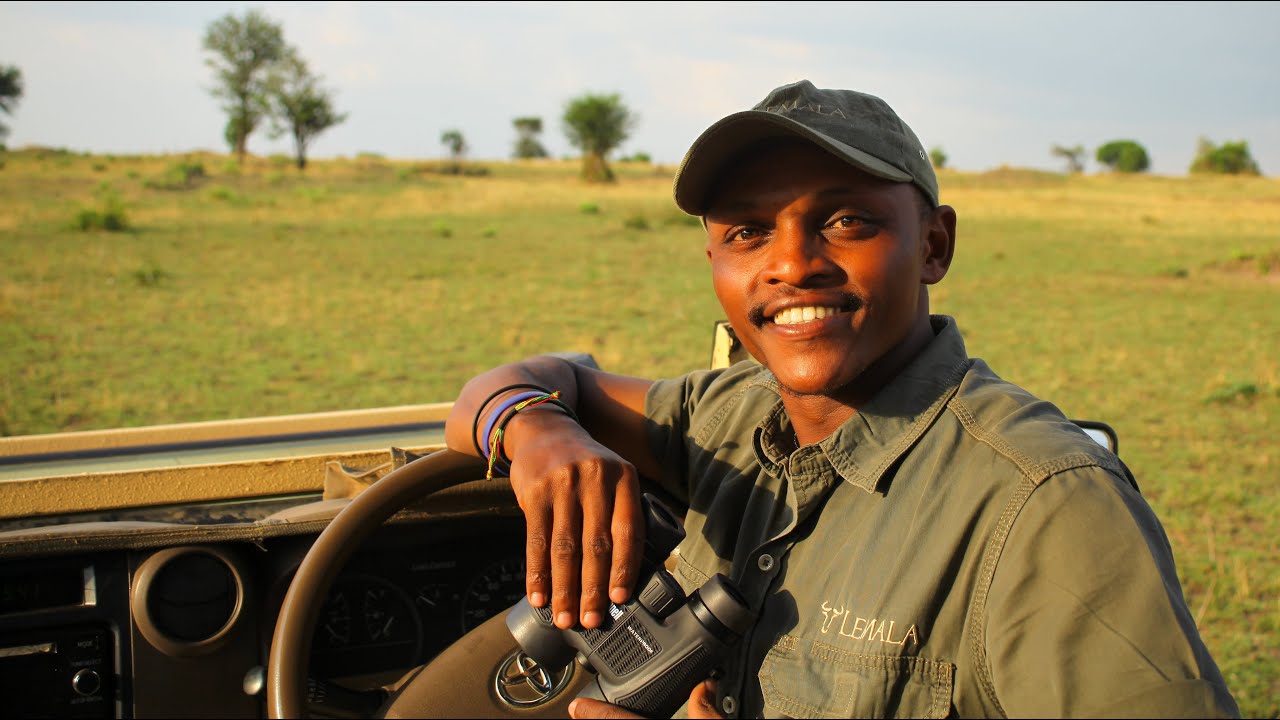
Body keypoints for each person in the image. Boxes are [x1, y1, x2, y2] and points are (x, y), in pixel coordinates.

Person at [443, 80, 1239, 718]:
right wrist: (539, 430)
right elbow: (525, 382)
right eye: (748, 233)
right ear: (714, 259)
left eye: (846, 219)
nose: (793, 264)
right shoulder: (731, 416)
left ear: (934, 245)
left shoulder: (1048, 508)